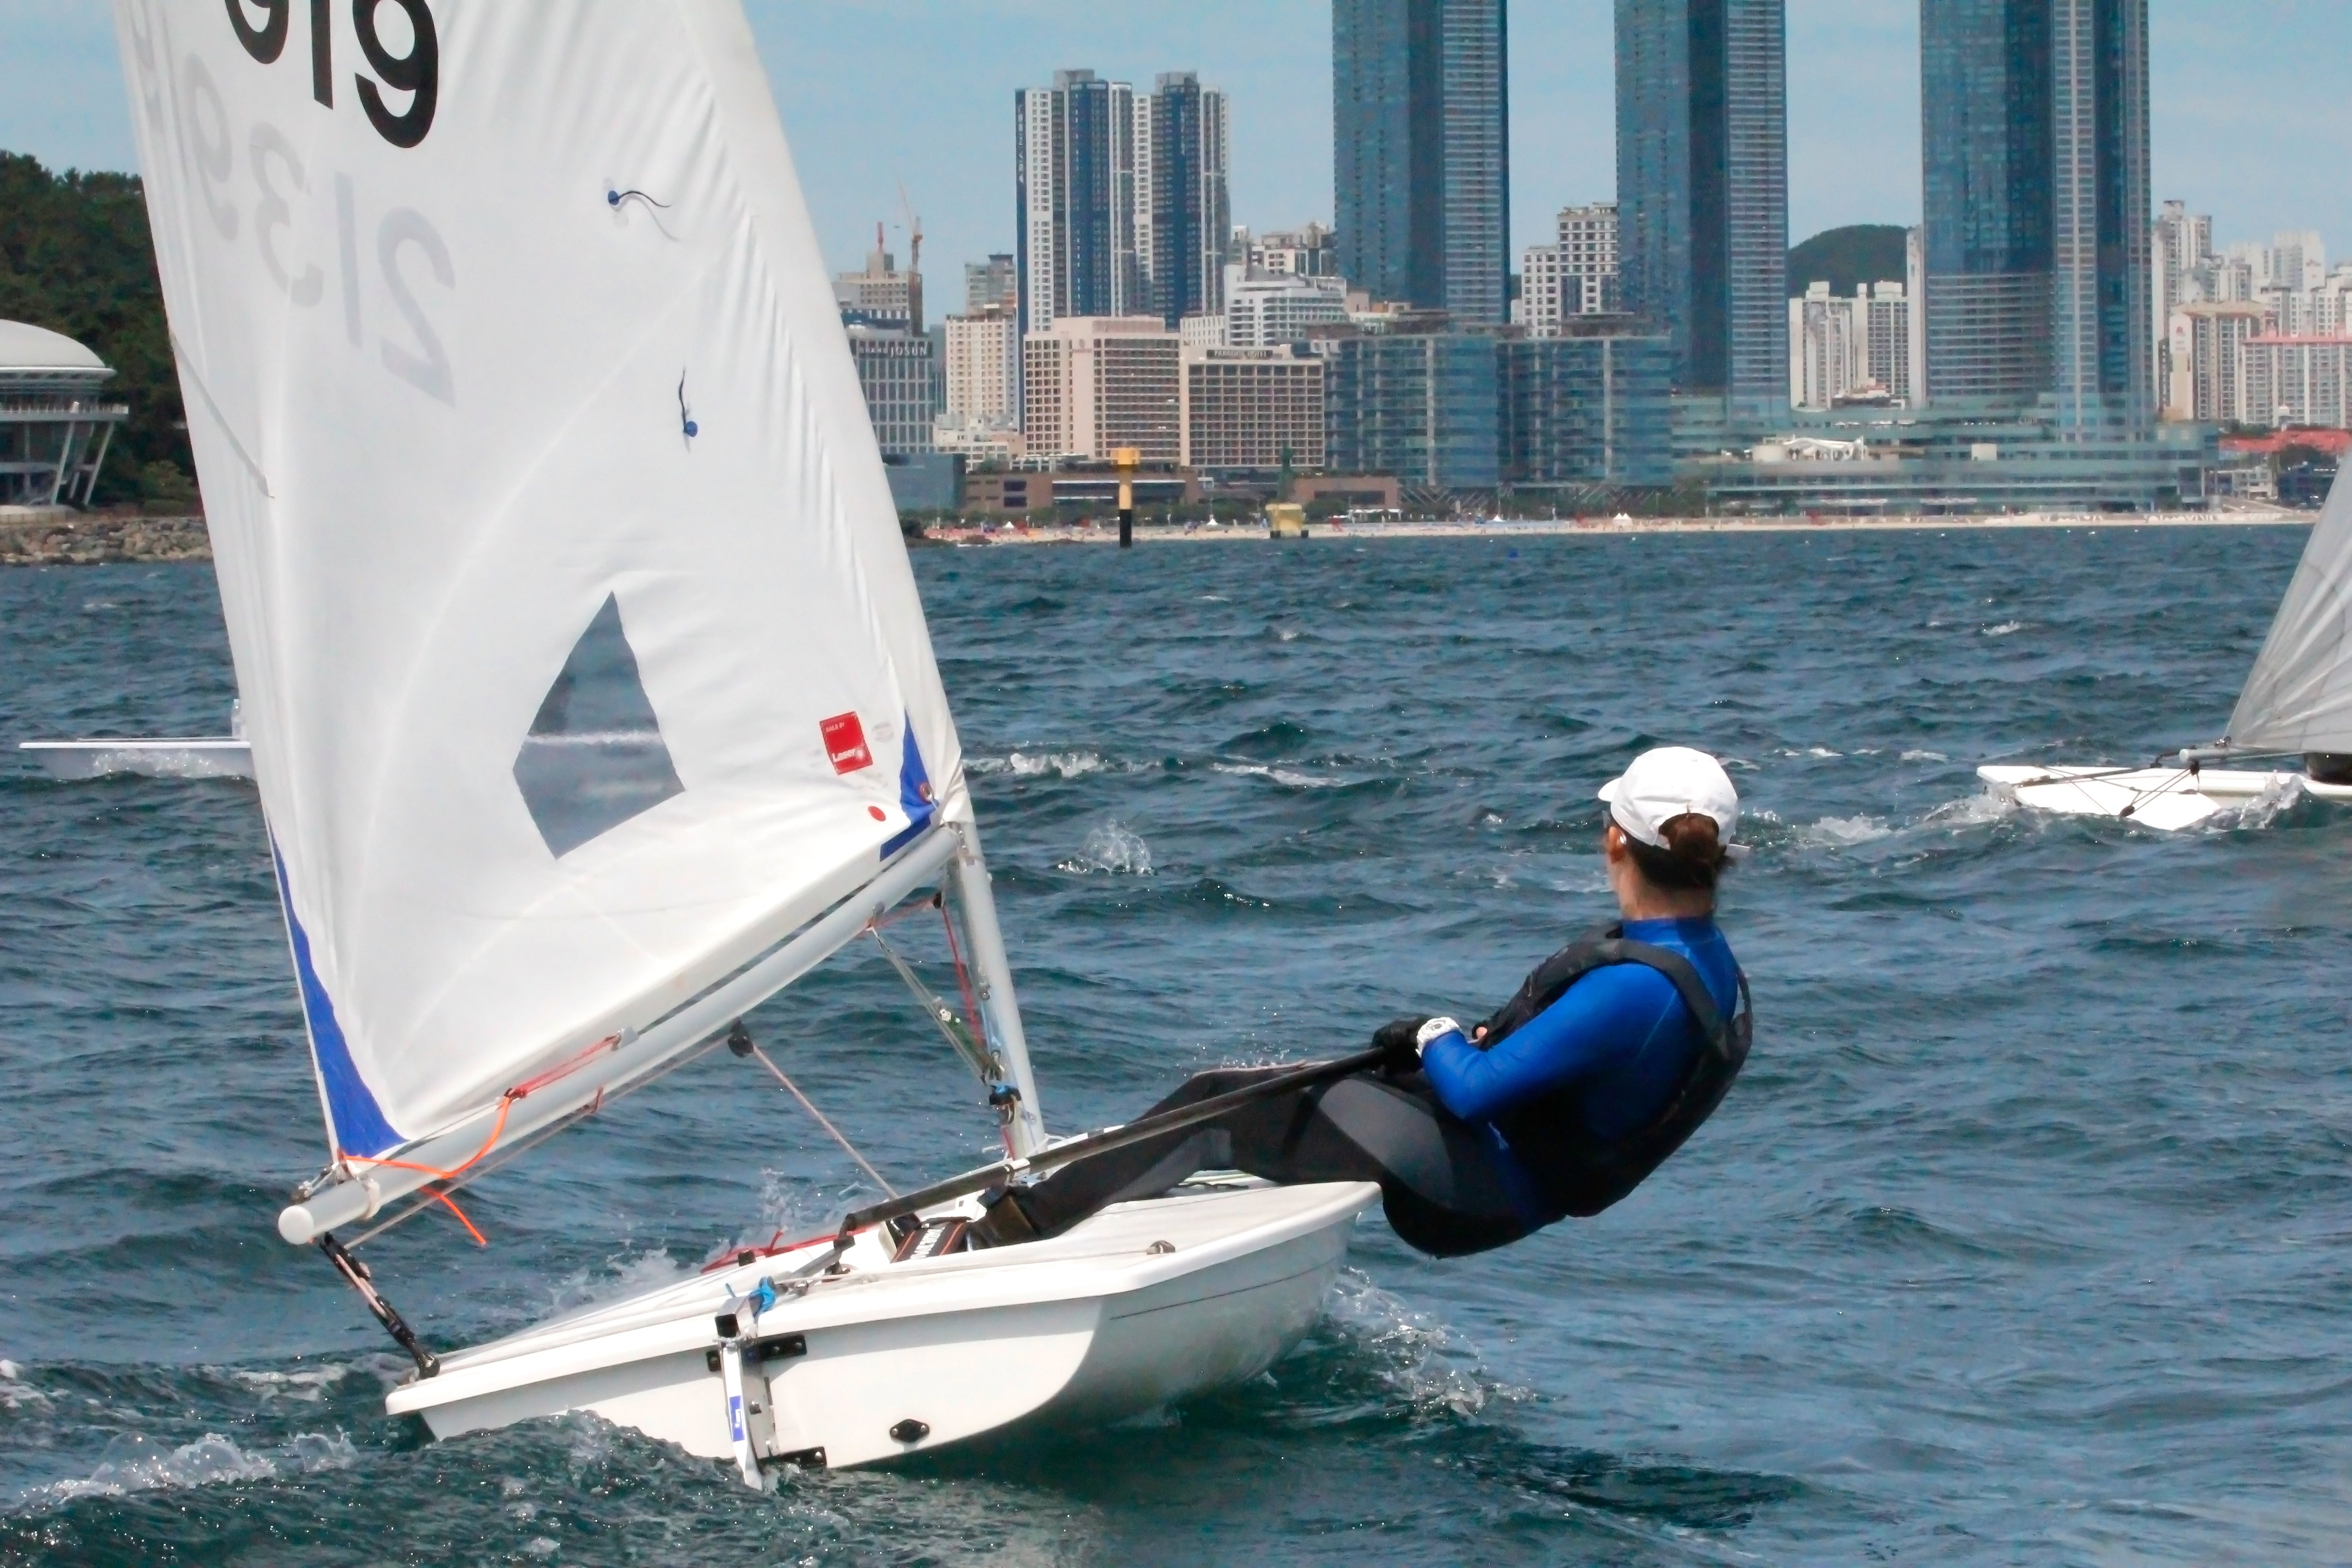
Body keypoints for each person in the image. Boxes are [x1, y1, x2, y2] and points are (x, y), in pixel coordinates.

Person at [971, 747, 1754, 1258]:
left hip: (1477, 1192)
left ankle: (1007, 1233)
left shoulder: (1637, 989)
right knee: (1280, 1093)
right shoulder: (1708, 962)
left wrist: (1436, 1033)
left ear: (1617, 841)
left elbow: (1478, 1090)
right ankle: (1119, 1206)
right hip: (1511, 1180)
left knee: (1219, 1105)